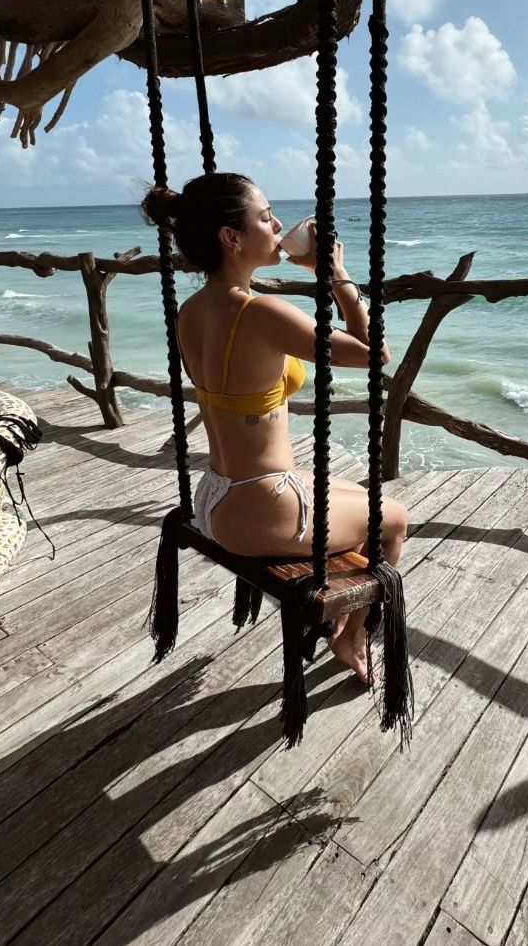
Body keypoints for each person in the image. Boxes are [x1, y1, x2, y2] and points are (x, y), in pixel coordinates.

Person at [141, 172, 408, 685]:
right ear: (231, 237)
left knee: (361, 495)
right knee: (394, 519)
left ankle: (339, 623)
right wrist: (336, 274)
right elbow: (376, 354)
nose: (279, 224)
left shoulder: (191, 311)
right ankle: (351, 635)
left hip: (216, 497)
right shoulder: (262, 312)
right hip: (260, 508)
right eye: (265, 218)